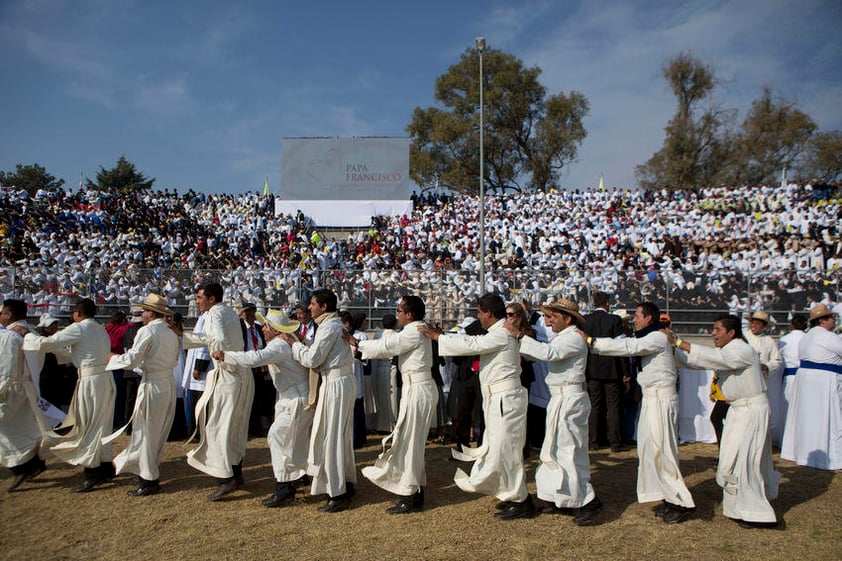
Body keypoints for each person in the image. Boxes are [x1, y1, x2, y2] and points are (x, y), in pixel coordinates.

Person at [419, 293, 533, 520]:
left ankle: (520, 500)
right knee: (501, 448)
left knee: (507, 449)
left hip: (505, 399)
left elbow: (473, 344)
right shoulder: (499, 331)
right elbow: (473, 341)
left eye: (479, 312)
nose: (478, 317)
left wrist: (439, 338)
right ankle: (511, 495)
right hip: (498, 398)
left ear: (488, 313)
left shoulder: (502, 332)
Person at [579, 302, 695, 524]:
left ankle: (680, 502)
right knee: (650, 450)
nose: (634, 320)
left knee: (664, 451)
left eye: (638, 316)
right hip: (652, 398)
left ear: (649, 318)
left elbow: (629, 347)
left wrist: (592, 341)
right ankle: (666, 496)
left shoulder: (657, 338)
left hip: (661, 398)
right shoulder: (654, 337)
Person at [667, 315, 779, 529]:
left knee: (747, 462)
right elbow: (699, 361)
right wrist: (671, 350)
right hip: (739, 411)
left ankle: (759, 514)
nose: (713, 333)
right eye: (713, 329)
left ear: (731, 333)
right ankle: (738, 508)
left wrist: (678, 342)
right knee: (730, 462)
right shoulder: (728, 351)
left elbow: (712, 358)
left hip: (752, 411)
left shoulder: (741, 350)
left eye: (718, 329)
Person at [505, 298, 603, 525]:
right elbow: (545, 353)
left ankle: (588, 501)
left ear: (567, 319)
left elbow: (550, 354)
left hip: (570, 399)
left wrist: (519, 336)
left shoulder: (573, 339)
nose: (548, 322)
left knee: (569, 451)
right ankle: (564, 499)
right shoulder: (564, 337)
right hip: (560, 398)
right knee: (555, 451)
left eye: (553, 317)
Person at [213, 310, 313, 508]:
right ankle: (298, 477)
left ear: (275, 330)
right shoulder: (286, 341)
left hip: (295, 399)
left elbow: (255, 358)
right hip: (291, 397)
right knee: (295, 440)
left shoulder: (279, 345)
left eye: (266, 326)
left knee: (277, 436)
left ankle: (284, 486)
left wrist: (227, 356)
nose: (263, 329)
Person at [353, 295, 438, 515]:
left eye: (400, 311)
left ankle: (408, 494)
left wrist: (358, 344)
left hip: (417, 387)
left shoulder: (413, 331)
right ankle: (415, 491)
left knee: (409, 443)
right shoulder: (418, 328)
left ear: (409, 314)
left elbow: (389, 346)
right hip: (416, 386)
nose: (397, 314)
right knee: (412, 441)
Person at [23, 298, 116, 493]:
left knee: (88, 424)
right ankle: (106, 465)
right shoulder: (99, 328)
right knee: (102, 424)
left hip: (90, 380)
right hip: (104, 378)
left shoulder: (79, 328)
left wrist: (27, 334)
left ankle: (93, 472)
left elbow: (47, 343)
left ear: (78, 314)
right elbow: (72, 352)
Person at [279, 289, 356, 513]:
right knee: (338, 436)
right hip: (338, 381)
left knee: (330, 437)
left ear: (323, 307)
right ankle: (345, 483)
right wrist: (299, 341)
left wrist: (294, 345)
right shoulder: (331, 325)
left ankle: (337, 492)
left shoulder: (329, 326)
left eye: (313, 304)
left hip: (336, 383)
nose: (309, 308)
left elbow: (313, 358)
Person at [181, 282, 254, 501]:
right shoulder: (229, 313)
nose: (197, 301)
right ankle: (235, 473)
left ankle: (226, 478)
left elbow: (218, 340)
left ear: (211, 299)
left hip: (228, 373)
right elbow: (210, 339)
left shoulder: (213, 315)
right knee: (235, 427)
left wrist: (221, 356)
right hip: (241, 372)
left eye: (199, 297)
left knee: (219, 427)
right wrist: (181, 336)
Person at [104, 293, 180, 496]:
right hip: (166, 383)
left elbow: (132, 360)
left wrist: (112, 358)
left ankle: (148, 478)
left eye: (144, 311)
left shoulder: (148, 331)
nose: (142, 314)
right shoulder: (171, 333)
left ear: (152, 314)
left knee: (147, 431)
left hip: (153, 383)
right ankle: (147, 470)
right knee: (157, 431)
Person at [781, 304, 842, 470]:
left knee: (808, 419)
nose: (833, 320)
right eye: (831, 318)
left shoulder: (807, 337)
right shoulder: (829, 337)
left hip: (807, 380)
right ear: (822, 321)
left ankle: (805, 452)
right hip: (826, 381)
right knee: (830, 418)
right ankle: (833, 457)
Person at [1, 299, 48, 492]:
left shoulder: (10, 337)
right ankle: (33, 461)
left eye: (3, 312)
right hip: (28, 385)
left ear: (9, 313)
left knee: (12, 429)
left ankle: (23, 466)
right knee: (24, 428)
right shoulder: (31, 333)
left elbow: (6, 370)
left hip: (13, 388)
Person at [582, 292, 627, 452]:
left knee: (594, 405)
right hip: (612, 368)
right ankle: (615, 442)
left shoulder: (586, 320)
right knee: (613, 406)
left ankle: (593, 441)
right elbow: (621, 348)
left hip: (592, 368)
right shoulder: (614, 320)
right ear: (608, 303)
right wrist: (625, 371)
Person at [744, 311, 784, 446]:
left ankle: (759, 443)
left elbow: (777, 360)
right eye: (752, 322)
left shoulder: (769, 341)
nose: (754, 325)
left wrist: (767, 366)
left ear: (764, 326)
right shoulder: (743, 338)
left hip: (761, 383)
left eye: (757, 323)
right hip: (743, 381)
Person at [239, 302, 270, 438]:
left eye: (252, 312)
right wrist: (240, 313)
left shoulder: (258, 328)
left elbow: (264, 346)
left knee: (259, 398)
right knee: (246, 398)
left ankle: (257, 426)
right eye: (247, 312)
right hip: (246, 366)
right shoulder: (239, 328)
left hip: (259, 367)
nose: (250, 315)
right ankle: (246, 427)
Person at [777, 315, 807, 440]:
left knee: (787, 409)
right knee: (803, 409)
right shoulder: (808, 338)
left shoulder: (784, 339)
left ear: (791, 326)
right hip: (805, 377)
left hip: (789, 377)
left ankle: (787, 438)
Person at [181, 310, 209, 437]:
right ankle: (194, 432)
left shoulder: (208, 317)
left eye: (199, 298)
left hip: (200, 370)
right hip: (195, 365)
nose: (196, 302)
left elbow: (204, 344)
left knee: (199, 404)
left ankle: (198, 433)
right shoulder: (203, 316)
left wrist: (199, 367)